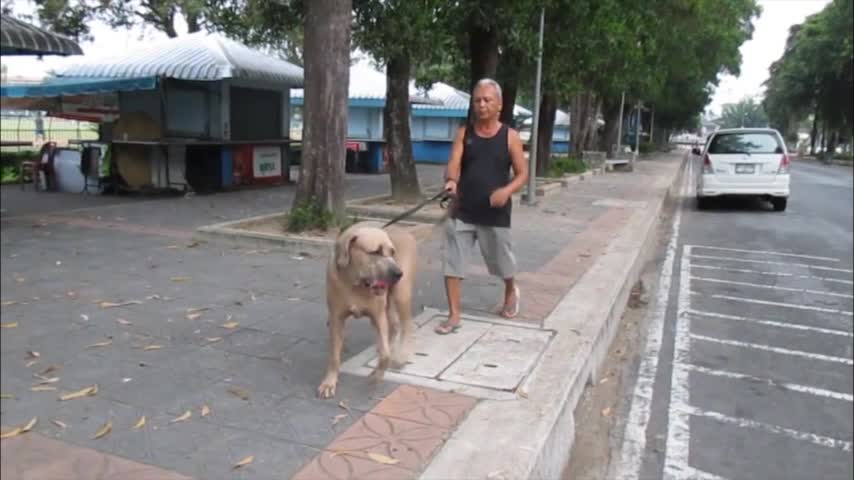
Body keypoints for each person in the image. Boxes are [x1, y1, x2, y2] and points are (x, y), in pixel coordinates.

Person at [435, 78, 529, 335]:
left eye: (487, 100)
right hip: (463, 210)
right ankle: (454, 315)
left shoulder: (510, 137)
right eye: (477, 100)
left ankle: (511, 290)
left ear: (499, 105)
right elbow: (454, 162)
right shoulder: (464, 133)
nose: (482, 104)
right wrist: (452, 181)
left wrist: (507, 191)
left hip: (495, 213)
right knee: (453, 262)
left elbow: (522, 173)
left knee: (502, 264)